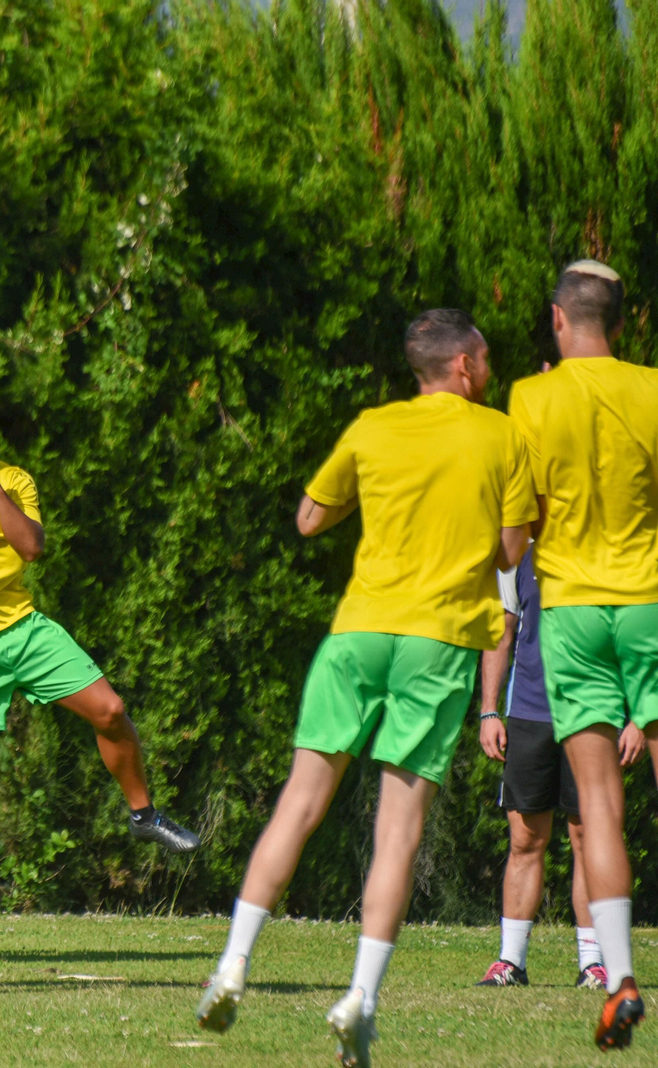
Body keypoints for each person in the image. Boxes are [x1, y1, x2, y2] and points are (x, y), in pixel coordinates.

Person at [195, 309, 535, 1067]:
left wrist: (372, 499)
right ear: (461, 369)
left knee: (300, 802)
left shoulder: (372, 426)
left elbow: (310, 518)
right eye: (483, 360)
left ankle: (231, 966)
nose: (488, 369)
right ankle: (360, 999)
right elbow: (513, 548)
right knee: (398, 827)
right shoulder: (503, 434)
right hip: (437, 641)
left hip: (357, 633)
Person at [0, 374, 199, 975]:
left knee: (110, 710)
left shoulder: (12, 479)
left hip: (21, 629)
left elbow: (33, 547)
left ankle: (143, 815)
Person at [509, 260, 658, 1051]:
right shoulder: (655, 388)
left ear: (558, 320)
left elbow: (514, 537)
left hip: (568, 611)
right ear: (619, 323)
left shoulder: (530, 399)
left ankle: (623, 981)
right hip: (649, 603)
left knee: (597, 807)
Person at [475, 545, 643, 989]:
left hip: (594, 715)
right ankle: (510, 961)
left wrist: (639, 718)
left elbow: (638, 638)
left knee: (590, 836)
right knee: (525, 838)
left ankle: (593, 963)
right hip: (529, 713)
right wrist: (489, 710)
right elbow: (501, 631)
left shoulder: (613, 547)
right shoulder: (517, 555)